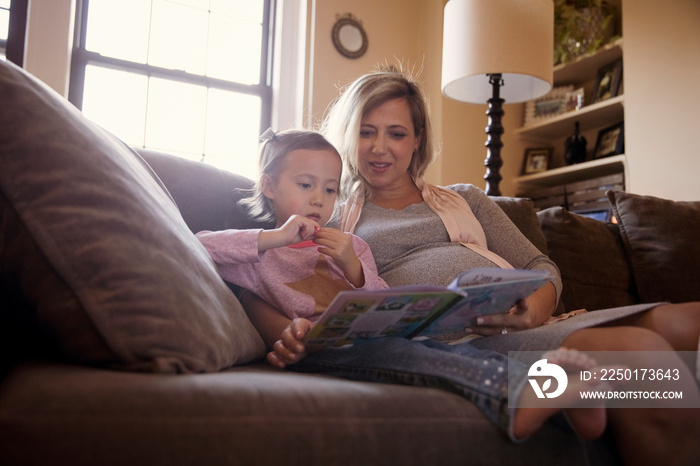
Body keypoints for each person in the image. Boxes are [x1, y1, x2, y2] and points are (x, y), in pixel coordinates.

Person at [243, 68, 700, 463]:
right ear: (348, 135)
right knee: (649, 362)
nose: (380, 148)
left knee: (687, 321)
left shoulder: (465, 199)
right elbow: (262, 275)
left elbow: (541, 266)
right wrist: (281, 329)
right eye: (366, 131)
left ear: (417, 140)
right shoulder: (327, 212)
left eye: (397, 133)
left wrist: (534, 307)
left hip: (526, 324)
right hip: (457, 344)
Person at [196, 129, 388, 326]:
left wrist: (353, 267)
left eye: (330, 190)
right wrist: (277, 237)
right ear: (269, 186)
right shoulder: (258, 257)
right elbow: (197, 246)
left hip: (363, 340)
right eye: (305, 185)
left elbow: (387, 310)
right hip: (315, 349)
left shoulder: (352, 246)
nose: (319, 200)